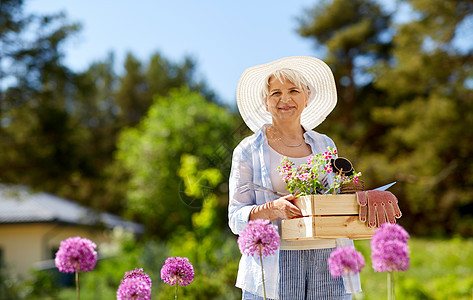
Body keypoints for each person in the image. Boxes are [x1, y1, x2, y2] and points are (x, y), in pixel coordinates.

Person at [228, 56, 360, 300]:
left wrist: (363, 196)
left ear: (307, 97)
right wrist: (272, 209)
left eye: (293, 90)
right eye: (275, 92)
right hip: (274, 263)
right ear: (265, 102)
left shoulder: (325, 144)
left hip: (328, 258)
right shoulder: (248, 150)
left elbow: (336, 198)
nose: (285, 99)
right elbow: (235, 218)